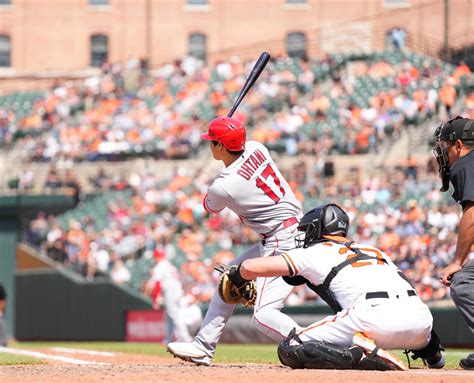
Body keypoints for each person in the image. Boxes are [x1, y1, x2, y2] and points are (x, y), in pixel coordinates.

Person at [227, 204, 444, 370]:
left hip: (373, 321)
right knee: (400, 305)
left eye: (306, 230)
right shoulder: (374, 250)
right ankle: (436, 357)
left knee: (289, 348)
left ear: (317, 229)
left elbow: (254, 267)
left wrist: (238, 274)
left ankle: (360, 355)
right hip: (422, 324)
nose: (304, 236)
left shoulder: (313, 252)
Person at [167, 116, 303, 365]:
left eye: (212, 142)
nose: (209, 146)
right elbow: (241, 155)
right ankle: (203, 347)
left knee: (263, 315)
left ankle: (313, 346)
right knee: (228, 279)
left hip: (281, 240)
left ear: (220, 146)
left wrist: (221, 167)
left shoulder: (224, 185)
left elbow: (210, 205)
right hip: (295, 229)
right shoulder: (256, 147)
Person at [435, 116, 474, 370]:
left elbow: (472, 214)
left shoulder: (465, 164)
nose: (443, 154)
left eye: (445, 147)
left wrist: (457, 262)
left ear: (458, 145)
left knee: (463, 282)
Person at [146, 250, 193, 343]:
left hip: (170, 289)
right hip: (176, 289)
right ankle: (168, 339)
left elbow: (157, 284)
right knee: (169, 315)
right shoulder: (169, 265)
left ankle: (185, 338)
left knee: (174, 314)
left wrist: (155, 300)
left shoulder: (159, 266)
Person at [0, 282, 7, 347]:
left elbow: (3, 300)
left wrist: (0, 310)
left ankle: (2, 343)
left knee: (1, 322)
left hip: (0, 309)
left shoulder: (0, 286)